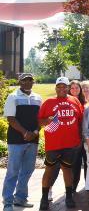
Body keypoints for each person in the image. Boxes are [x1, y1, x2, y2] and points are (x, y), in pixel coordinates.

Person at [38, 77, 84, 210]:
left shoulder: (74, 100)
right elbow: (40, 122)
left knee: (67, 170)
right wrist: (46, 120)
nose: (62, 89)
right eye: (59, 86)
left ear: (68, 88)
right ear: (56, 88)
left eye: (65, 86)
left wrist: (79, 137)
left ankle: (69, 197)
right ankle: (44, 198)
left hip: (70, 144)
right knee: (49, 170)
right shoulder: (48, 102)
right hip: (53, 144)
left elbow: (80, 119)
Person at [2, 73, 42, 211]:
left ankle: (20, 199)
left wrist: (35, 132)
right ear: (20, 82)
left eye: (30, 80)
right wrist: (25, 133)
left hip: (33, 140)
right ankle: (7, 201)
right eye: (24, 80)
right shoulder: (13, 96)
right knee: (13, 171)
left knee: (27, 170)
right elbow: (11, 119)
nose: (27, 82)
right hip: (16, 140)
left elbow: (40, 119)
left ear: (33, 82)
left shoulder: (38, 98)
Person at [68, 80, 87, 193]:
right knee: (75, 163)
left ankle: (88, 186)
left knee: (88, 162)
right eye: (72, 88)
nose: (75, 90)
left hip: (85, 138)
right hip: (73, 139)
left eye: (77, 88)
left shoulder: (85, 103)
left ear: (80, 89)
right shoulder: (67, 102)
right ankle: (73, 186)